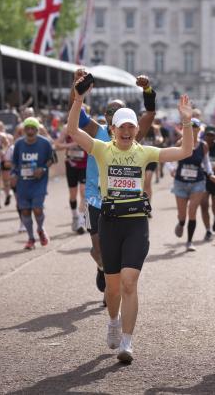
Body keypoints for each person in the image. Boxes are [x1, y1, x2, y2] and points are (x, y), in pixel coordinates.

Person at [67, 79, 193, 365]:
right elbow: (72, 130)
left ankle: (127, 340)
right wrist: (78, 98)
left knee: (129, 282)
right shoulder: (101, 149)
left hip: (136, 223)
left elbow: (184, 152)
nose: (125, 131)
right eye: (120, 127)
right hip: (110, 222)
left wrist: (186, 123)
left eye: (130, 127)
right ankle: (113, 320)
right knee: (112, 288)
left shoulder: (144, 152)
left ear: (137, 130)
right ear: (112, 129)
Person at [73, 71, 156, 300]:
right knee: (99, 250)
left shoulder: (132, 133)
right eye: (109, 112)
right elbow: (75, 118)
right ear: (105, 116)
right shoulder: (96, 131)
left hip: (124, 201)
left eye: (117, 112)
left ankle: (113, 286)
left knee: (120, 250)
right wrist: (77, 87)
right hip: (95, 198)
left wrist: (148, 90)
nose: (113, 115)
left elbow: (150, 113)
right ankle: (102, 266)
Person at [11, 118, 54, 250]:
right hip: (23, 183)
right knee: (24, 211)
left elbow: (52, 159)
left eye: (33, 129)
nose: (30, 131)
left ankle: (40, 229)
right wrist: (13, 174)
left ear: (37, 130)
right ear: (23, 130)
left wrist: (43, 169)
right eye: (27, 129)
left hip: (39, 182)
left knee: (37, 208)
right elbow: (15, 162)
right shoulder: (18, 144)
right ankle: (31, 238)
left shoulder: (45, 143)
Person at [171, 119, 214, 251]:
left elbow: (206, 162)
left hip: (198, 182)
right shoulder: (180, 143)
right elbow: (168, 158)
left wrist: (211, 173)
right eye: (189, 126)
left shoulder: (203, 145)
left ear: (199, 129)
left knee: (192, 211)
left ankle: (189, 241)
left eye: (195, 126)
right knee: (182, 215)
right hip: (180, 182)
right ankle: (181, 223)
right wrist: (171, 168)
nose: (193, 129)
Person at [55, 130, 88, 234]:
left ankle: (81, 222)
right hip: (71, 165)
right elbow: (57, 145)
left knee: (84, 192)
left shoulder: (87, 126)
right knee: (73, 195)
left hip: (85, 165)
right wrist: (72, 145)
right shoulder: (66, 129)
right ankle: (75, 216)